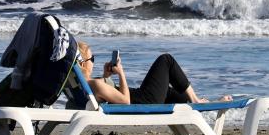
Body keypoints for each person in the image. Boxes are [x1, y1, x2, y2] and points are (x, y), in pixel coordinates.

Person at [75, 41, 229, 105]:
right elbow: (125, 101)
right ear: (83, 63)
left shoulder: (87, 85)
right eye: (92, 58)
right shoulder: (94, 84)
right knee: (166, 60)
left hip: (142, 97)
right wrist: (121, 73)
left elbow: (106, 95)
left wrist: (106, 77)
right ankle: (196, 101)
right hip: (142, 101)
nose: (93, 61)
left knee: (168, 91)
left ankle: (204, 102)